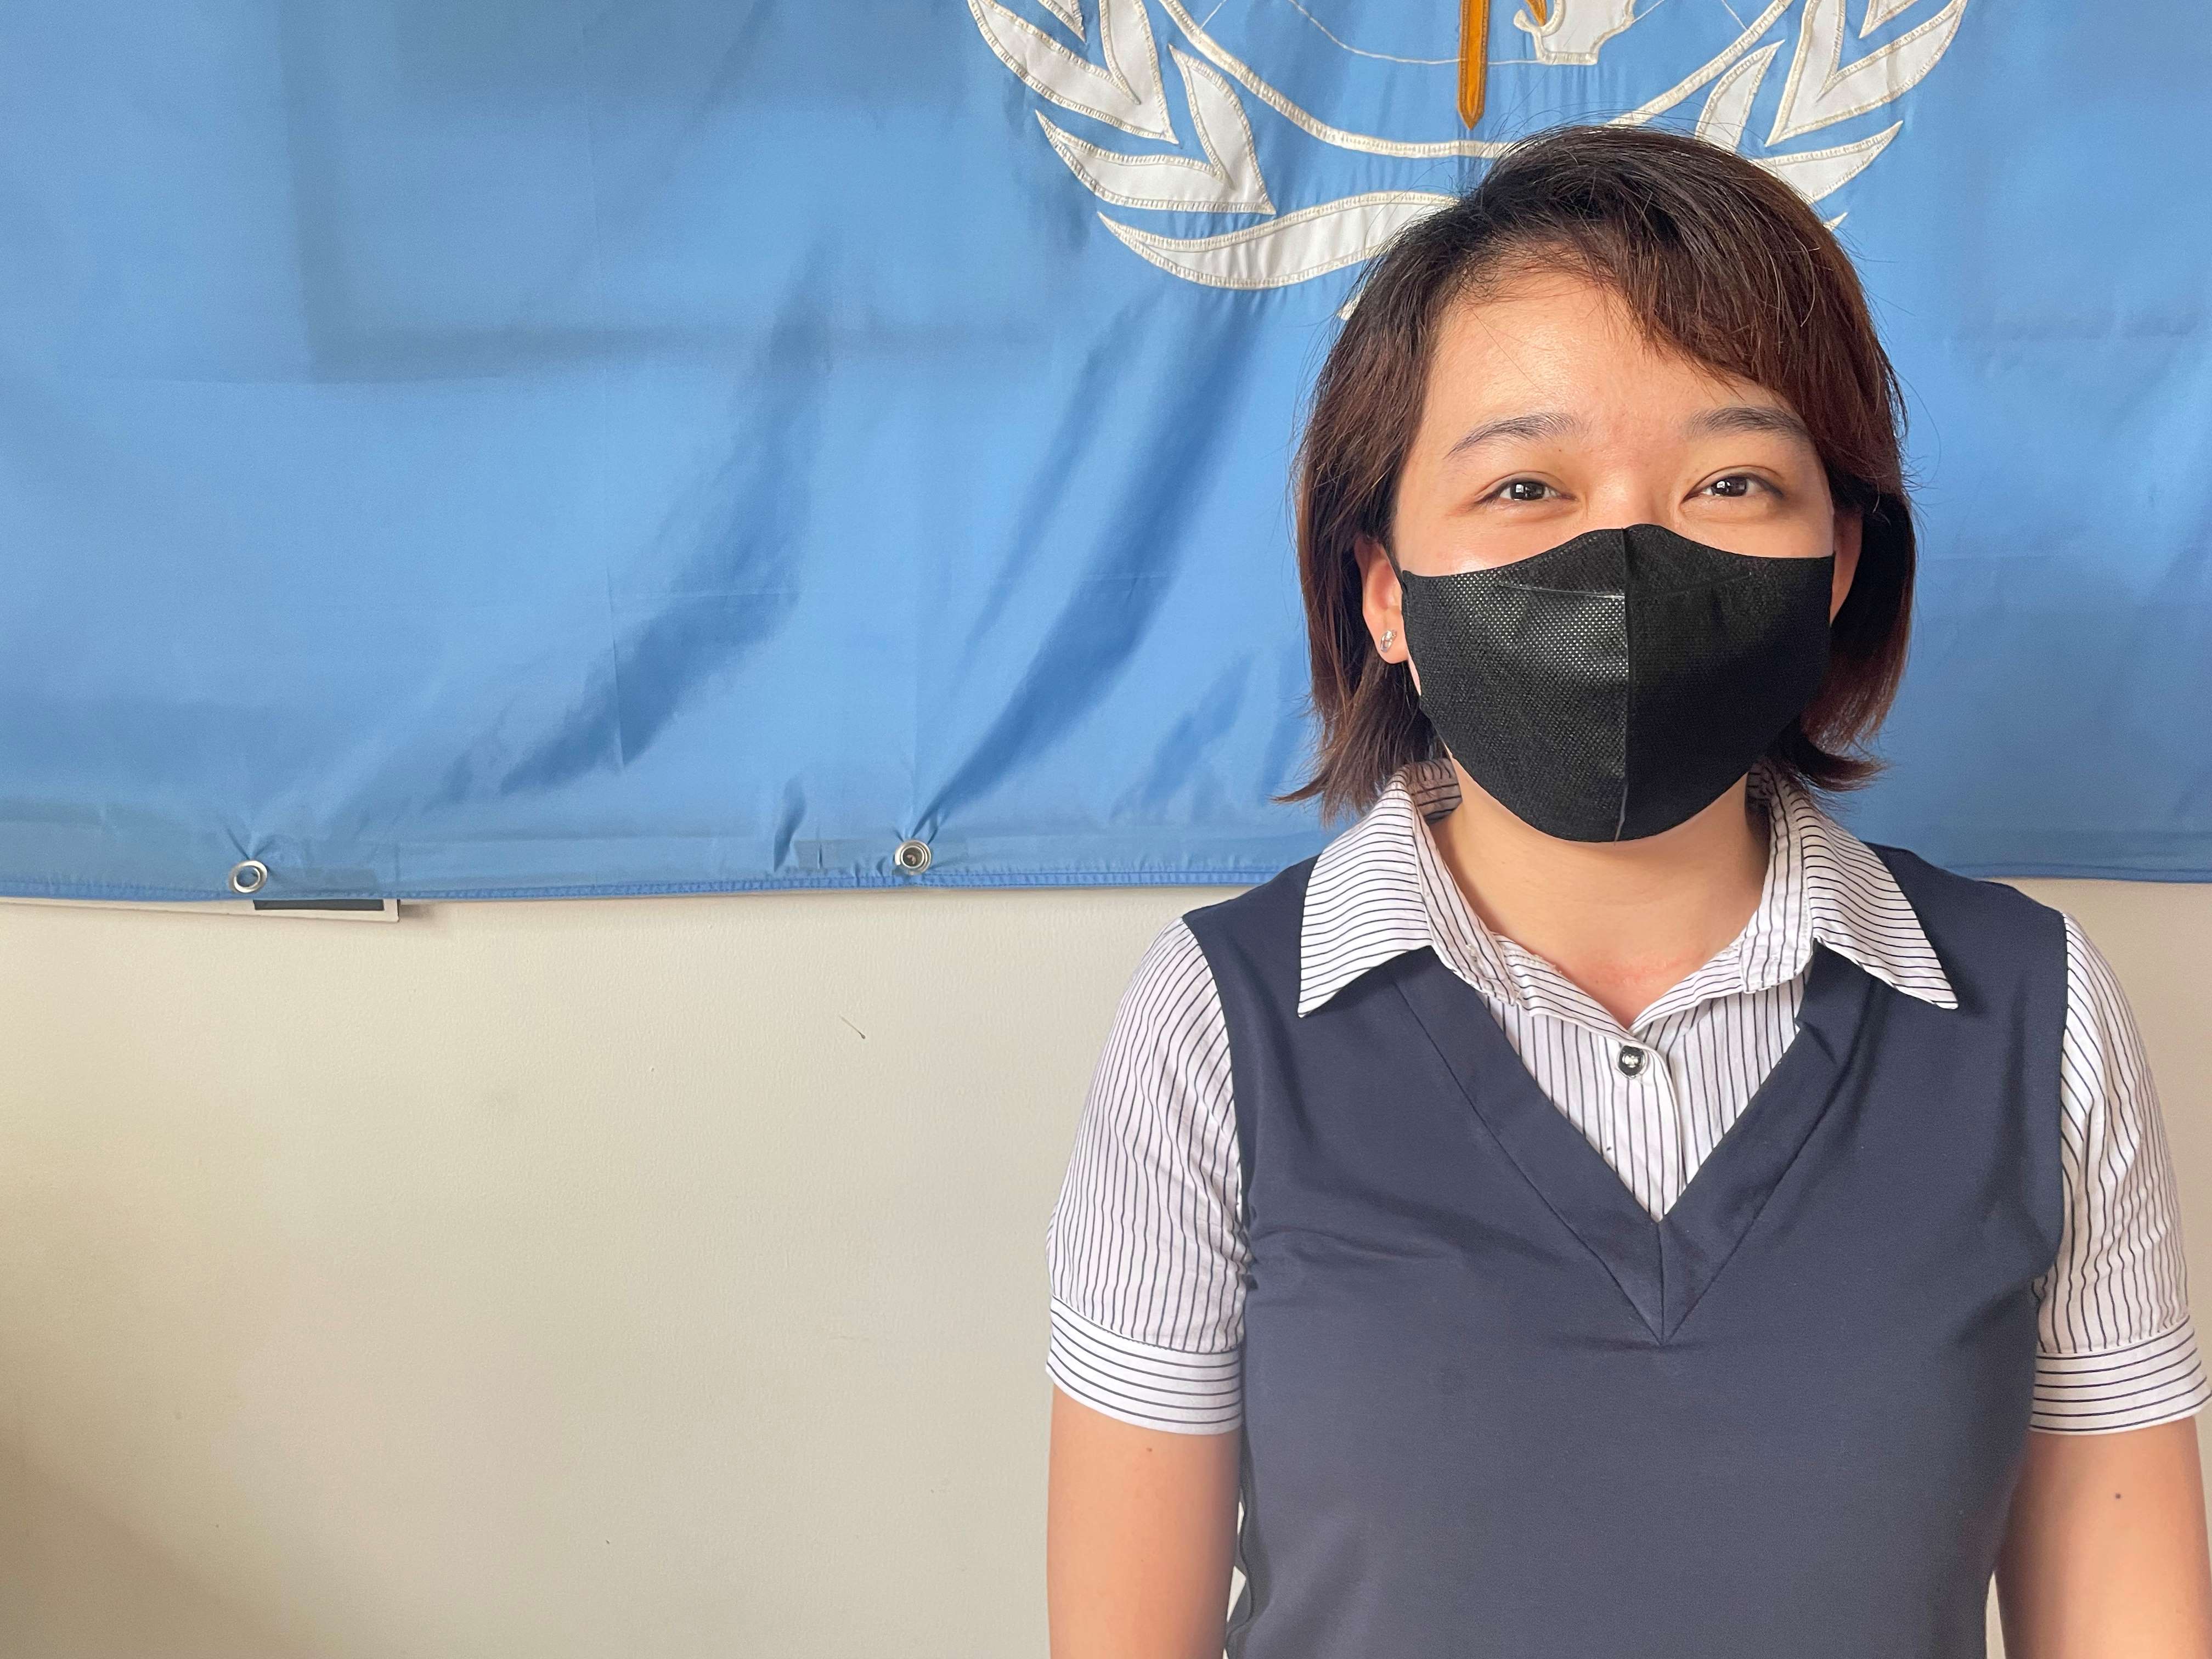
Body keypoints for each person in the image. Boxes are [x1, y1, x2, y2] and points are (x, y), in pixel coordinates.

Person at [1042, 122, 2212, 1658]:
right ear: (1386, 589)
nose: (1626, 559)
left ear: (1837, 561)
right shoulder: (1218, 1024)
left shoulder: (2033, 1014)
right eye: (1526, 485)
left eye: (1730, 480)